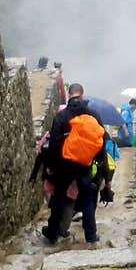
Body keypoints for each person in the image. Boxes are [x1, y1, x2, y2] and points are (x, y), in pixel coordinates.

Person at [42, 82, 110, 244]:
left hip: (64, 165)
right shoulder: (93, 115)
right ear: (82, 95)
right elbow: (101, 141)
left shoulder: (61, 116)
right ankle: (91, 237)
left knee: (59, 197)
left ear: (69, 94)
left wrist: (51, 167)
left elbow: (53, 145)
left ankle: (52, 232)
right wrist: (101, 165)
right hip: (85, 164)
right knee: (87, 199)